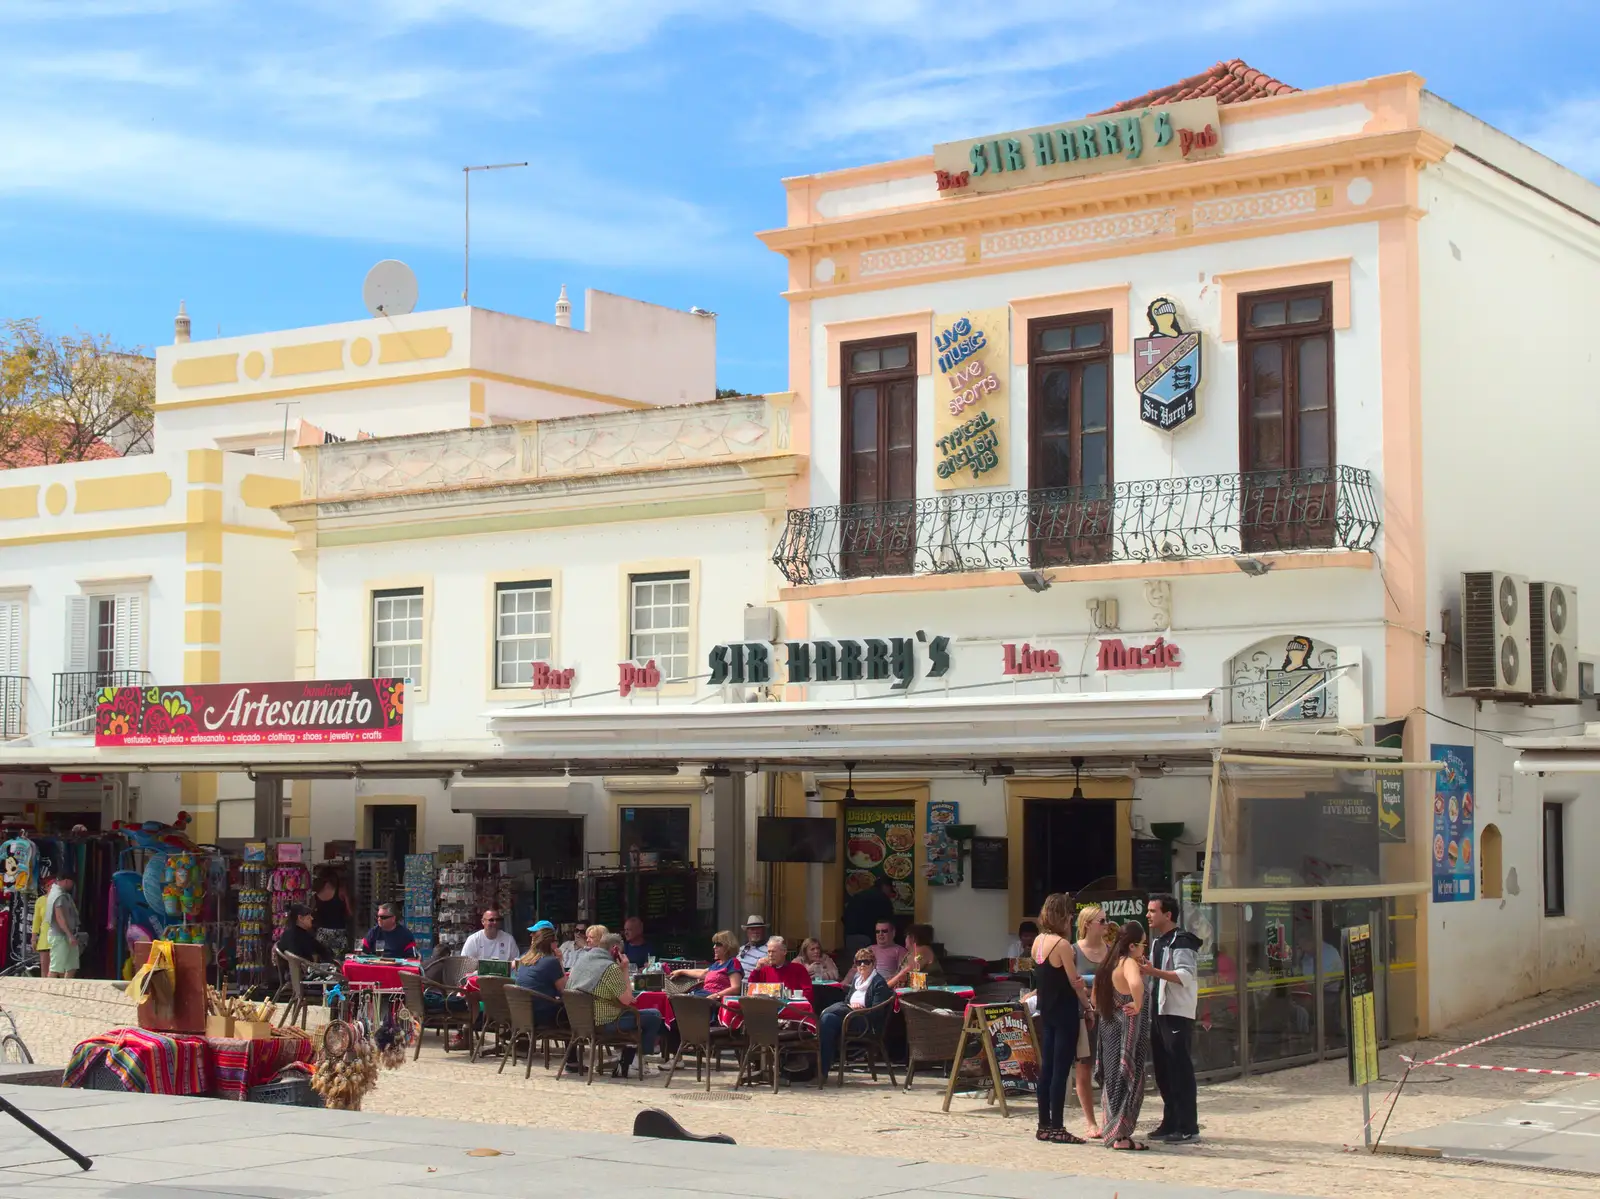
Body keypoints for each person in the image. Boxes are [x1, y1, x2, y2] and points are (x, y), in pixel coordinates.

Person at [1031, 894, 1092, 1145]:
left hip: (1047, 1010)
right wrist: (1088, 1007)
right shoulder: (1062, 945)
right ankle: (1057, 1126)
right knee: (1061, 1069)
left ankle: (1043, 1124)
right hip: (1065, 1010)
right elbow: (1075, 981)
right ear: (1063, 916)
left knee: (1047, 1069)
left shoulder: (1038, 941)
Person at [1145, 894, 1202, 1143]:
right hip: (1158, 1012)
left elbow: (1185, 975)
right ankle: (1170, 1121)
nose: (1148, 915)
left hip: (1177, 1013)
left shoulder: (1182, 941)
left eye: (1153, 911)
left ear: (1168, 915)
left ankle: (1188, 1125)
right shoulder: (1158, 941)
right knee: (1163, 1070)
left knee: (1180, 1069)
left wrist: (1153, 971)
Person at [568, 932, 663, 1077]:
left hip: (579, 1022)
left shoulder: (581, 962)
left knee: (639, 1015)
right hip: (604, 1023)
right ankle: (634, 1064)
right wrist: (624, 969)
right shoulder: (609, 968)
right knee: (654, 1016)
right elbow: (627, 999)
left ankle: (626, 1059)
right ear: (615, 949)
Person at [1095, 920, 1153, 1152]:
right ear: (1131, 946)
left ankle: (1113, 1131)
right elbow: (1136, 983)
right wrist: (1137, 1004)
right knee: (1128, 1079)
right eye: (1142, 944)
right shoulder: (1127, 963)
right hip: (1127, 1033)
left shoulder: (1107, 964)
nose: (1144, 949)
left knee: (1113, 1080)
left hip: (1108, 1029)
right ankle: (1120, 1136)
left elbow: (1094, 1000)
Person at [819, 948, 891, 1076]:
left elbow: (877, 1012)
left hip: (866, 1023)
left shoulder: (878, 983)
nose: (862, 965)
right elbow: (847, 1001)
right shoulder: (857, 981)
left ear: (873, 964)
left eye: (866, 962)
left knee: (828, 1019)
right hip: (850, 1017)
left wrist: (860, 1010)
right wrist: (852, 1007)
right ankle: (821, 1068)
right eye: (859, 962)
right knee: (827, 1020)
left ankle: (822, 1069)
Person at [1073, 904, 1110, 1139]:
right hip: (1084, 1014)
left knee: (1111, 1067)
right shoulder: (1074, 951)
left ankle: (1109, 1117)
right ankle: (1090, 1121)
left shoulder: (1111, 950)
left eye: (1106, 920)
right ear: (1087, 924)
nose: (1106, 925)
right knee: (1084, 1066)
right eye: (1102, 921)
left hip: (1109, 1013)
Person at [513, 926, 566, 1025]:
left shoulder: (524, 959)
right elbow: (564, 990)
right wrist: (559, 960)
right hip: (541, 1016)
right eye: (555, 941)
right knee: (573, 1013)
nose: (557, 944)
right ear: (550, 943)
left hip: (520, 1014)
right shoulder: (551, 961)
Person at [670, 930, 742, 998]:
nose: (714, 947)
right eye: (714, 944)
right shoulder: (717, 964)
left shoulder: (732, 962)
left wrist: (715, 996)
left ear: (728, 946)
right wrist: (681, 971)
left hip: (712, 1002)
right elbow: (703, 973)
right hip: (701, 996)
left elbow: (736, 988)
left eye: (718, 944)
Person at [747, 936, 813, 1001]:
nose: (770, 955)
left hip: (792, 1008)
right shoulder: (764, 970)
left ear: (784, 952)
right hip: (768, 1008)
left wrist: (795, 999)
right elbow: (750, 989)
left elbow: (809, 993)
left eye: (773, 951)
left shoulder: (798, 969)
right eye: (769, 952)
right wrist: (756, 969)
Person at [45, 875, 85, 979]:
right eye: (71, 883)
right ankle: (48, 991)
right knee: (56, 968)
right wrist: (70, 935)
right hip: (60, 936)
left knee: (72, 965)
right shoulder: (58, 895)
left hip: (69, 934)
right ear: (67, 881)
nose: (72, 886)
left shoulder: (61, 894)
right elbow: (59, 917)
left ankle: (66, 988)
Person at [841, 879, 896, 955]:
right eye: (890, 890)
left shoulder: (858, 895)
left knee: (857, 963)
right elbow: (888, 922)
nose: (890, 894)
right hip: (869, 938)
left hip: (850, 936)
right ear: (885, 887)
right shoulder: (883, 898)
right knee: (871, 963)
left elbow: (844, 917)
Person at [311, 867, 352, 957]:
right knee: (338, 962)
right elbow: (350, 912)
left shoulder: (316, 895)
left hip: (322, 933)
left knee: (322, 962)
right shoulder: (341, 892)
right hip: (339, 933)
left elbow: (311, 914)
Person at [886, 923, 941, 989]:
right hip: (917, 992)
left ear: (912, 938)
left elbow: (905, 973)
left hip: (930, 992)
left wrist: (886, 986)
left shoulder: (922, 950)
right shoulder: (911, 953)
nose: (905, 939)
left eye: (906, 936)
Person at [31, 869, 52, 979]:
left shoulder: (63, 898)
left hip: (59, 939)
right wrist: (34, 938)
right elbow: (36, 921)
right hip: (44, 939)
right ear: (46, 887)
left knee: (59, 970)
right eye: (51, 885)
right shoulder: (40, 901)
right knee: (45, 971)